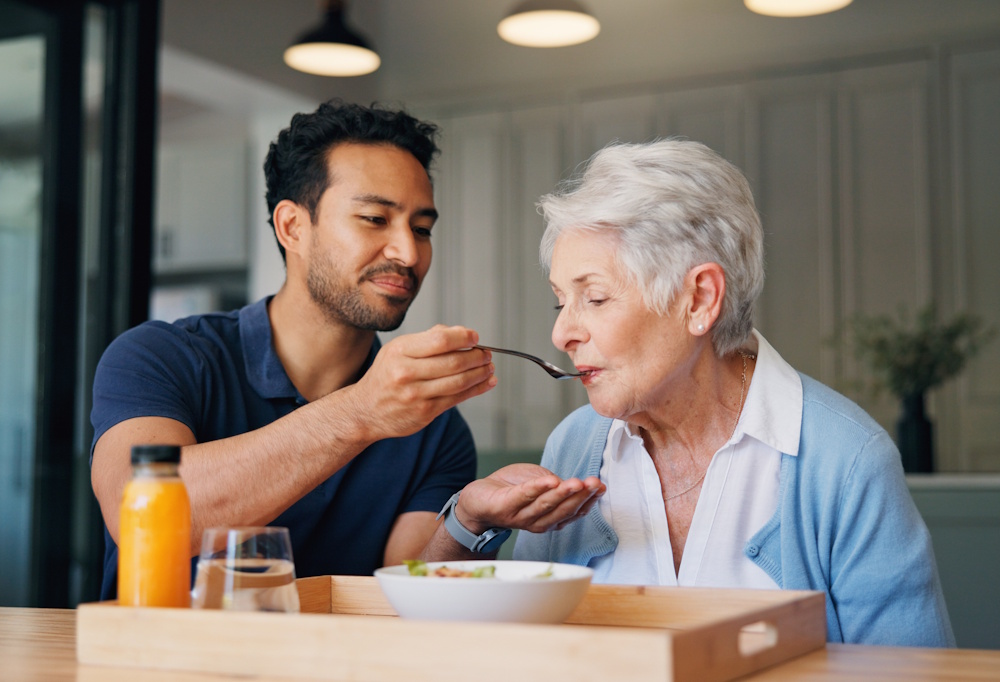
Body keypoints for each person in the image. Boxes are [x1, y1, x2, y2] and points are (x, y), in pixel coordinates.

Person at [89, 100, 597, 599]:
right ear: (292, 226)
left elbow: (407, 595)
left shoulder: (434, 426)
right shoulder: (159, 357)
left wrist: (469, 519)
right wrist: (361, 412)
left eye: (422, 229)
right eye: (375, 219)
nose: (408, 252)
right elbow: (142, 514)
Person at [511, 138, 955, 647]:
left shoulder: (846, 462)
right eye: (560, 302)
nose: (561, 334)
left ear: (699, 298)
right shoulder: (571, 448)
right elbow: (528, 653)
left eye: (594, 297)